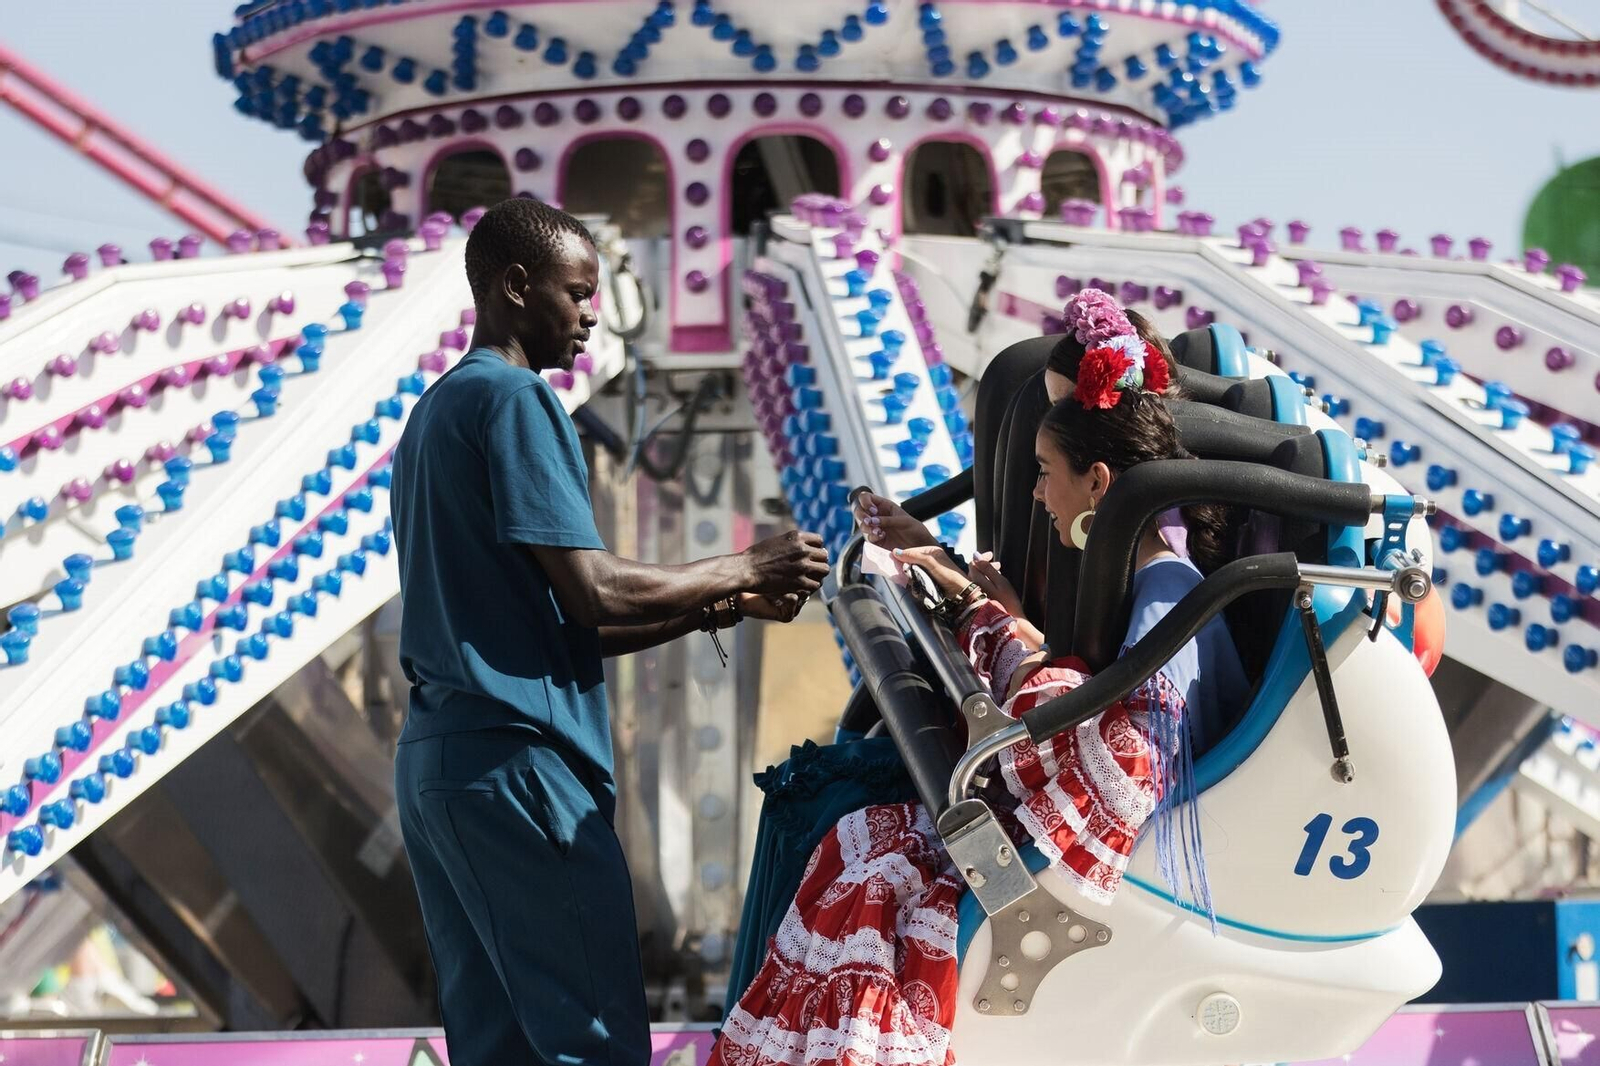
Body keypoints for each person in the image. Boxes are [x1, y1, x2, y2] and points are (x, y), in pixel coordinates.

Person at [712, 316, 1248, 1066]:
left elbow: (1128, 758)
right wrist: (989, 616)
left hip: (1111, 863)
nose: (1032, 494)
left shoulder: (1165, 592)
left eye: (1044, 469)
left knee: (850, 840)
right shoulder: (1135, 577)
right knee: (842, 827)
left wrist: (995, 632)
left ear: (1098, 481)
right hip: (1045, 817)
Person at [389, 198, 831, 1066]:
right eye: (578, 292)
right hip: (521, 767)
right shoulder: (517, 400)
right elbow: (593, 593)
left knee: (500, 1048)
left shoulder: (436, 412)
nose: (593, 313)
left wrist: (718, 606)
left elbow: (548, 625)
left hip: (440, 766)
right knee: (594, 1045)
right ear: (516, 287)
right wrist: (747, 567)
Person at [852, 290, 1184, 649]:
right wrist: (925, 545)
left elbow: (1090, 694)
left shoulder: (1162, 573)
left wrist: (997, 618)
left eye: (1065, 410)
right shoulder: (1087, 522)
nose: (1050, 426)